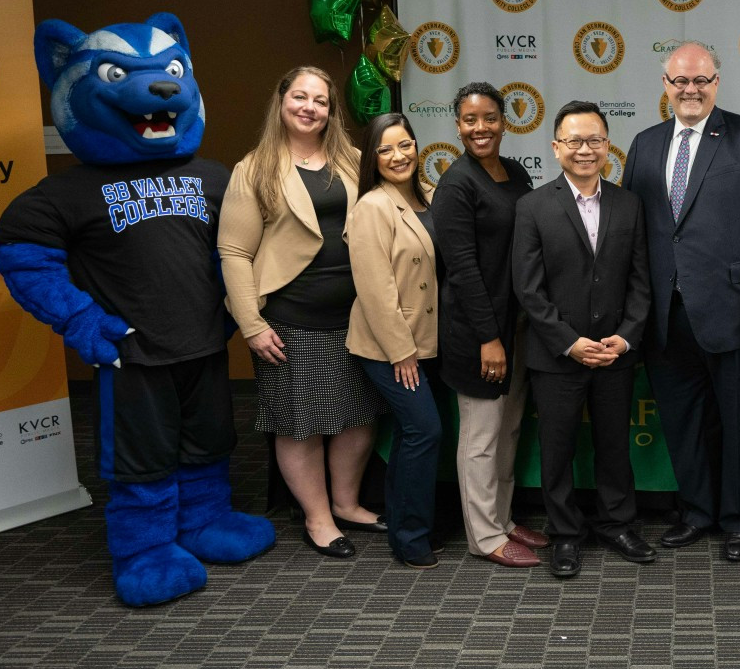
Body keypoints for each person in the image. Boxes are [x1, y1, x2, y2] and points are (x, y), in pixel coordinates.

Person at [622, 40, 740, 563]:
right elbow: (633, 229)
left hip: (739, 310)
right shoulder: (645, 143)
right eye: (681, 81)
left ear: (717, 83)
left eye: (701, 80)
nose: (691, 89)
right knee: (682, 420)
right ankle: (697, 513)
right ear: (666, 86)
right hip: (665, 315)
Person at [219, 67, 384, 561]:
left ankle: (347, 503)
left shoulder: (354, 160)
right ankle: (318, 518)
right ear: (281, 100)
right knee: (298, 424)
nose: (310, 107)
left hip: (356, 317)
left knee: (357, 417)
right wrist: (251, 325)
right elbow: (232, 250)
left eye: (322, 101)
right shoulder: (255, 168)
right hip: (289, 321)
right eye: (300, 97)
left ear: (332, 111)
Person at [512, 101, 655, 578]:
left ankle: (617, 524)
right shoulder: (532, 207)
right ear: (555, 149)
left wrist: (627, 337)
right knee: (559, 448)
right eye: (574, 141)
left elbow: (641, 281)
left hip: (615, 352)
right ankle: (566, 533)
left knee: (615, 444)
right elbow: (527, 289)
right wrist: (569, 342)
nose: (585, 149)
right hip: (557, 354)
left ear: (608, 145)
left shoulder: (628, 203)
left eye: (594, 140)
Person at [434, 82, 547, 569]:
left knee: (509, 429)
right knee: (481, 436)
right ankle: (484, 535)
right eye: (469, 120)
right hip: (479, 331)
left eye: (489, 118)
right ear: (457, 126)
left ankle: (502, 518)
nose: (480, 128)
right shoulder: (456, 183)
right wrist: (488, 338)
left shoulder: (515, 171)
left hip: (517, 325)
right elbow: (462, 270)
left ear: (505, 121)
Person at [345, 113, 442, 569]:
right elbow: (375, 288)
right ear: (373, 158)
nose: (398, 156)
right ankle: (409, 537)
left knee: (412, 434)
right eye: (385, 150)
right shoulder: (371, 207)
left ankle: (413, 527)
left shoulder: (427, 196)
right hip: (391, 348)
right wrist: (401, 351)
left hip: (427, 342)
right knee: (424, 430)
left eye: (405, 145)